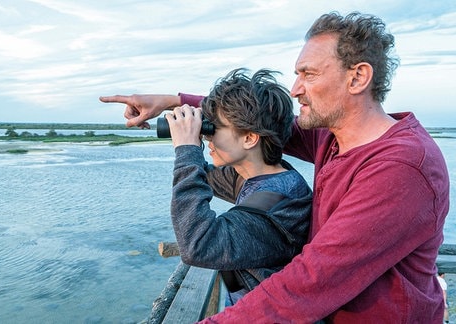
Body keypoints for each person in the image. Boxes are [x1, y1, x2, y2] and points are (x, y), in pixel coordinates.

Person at [100, 11, 450, 323]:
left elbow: (311, 281)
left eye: (308, 74)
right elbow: (256, 122)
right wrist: (173, 101)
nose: (296, 89)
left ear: (357, 78)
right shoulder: (336, 137)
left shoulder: (400, 168)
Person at [106, 68, 312, 305]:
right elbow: (198, 174)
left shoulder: (276, 203)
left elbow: (197, 245)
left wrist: (187, 148)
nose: (207, 137)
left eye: (215, 128)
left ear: (249, 138)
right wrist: (181, 126)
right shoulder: (262, 175)